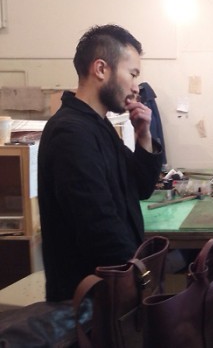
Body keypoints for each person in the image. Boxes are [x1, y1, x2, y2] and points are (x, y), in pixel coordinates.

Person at [38, 25, 163, 302]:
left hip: (113, 291)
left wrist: (143, 136)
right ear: (101, 69)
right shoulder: (71, 133)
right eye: (132, 74)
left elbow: (140, 187)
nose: (136, 87)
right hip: (89, 303)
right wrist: (138, 280)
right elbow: (98, 226)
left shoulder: (98, 125)